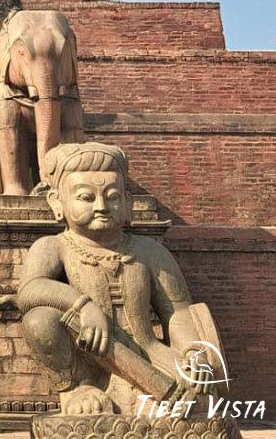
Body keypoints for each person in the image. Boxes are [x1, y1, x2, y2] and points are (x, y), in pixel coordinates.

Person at [18, 142, 217, 415]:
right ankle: (78, 389)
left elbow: (178, 313)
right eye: (86, 197)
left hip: (150, 356)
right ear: (57, 202)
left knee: (200, 398)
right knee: (39, 319)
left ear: (127, 202)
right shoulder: (54, 247)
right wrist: (83, 307)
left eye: (112, 196)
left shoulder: (149, 251)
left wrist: (193, 353)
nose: (102, 206)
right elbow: (29, 291)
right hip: (90, 362)